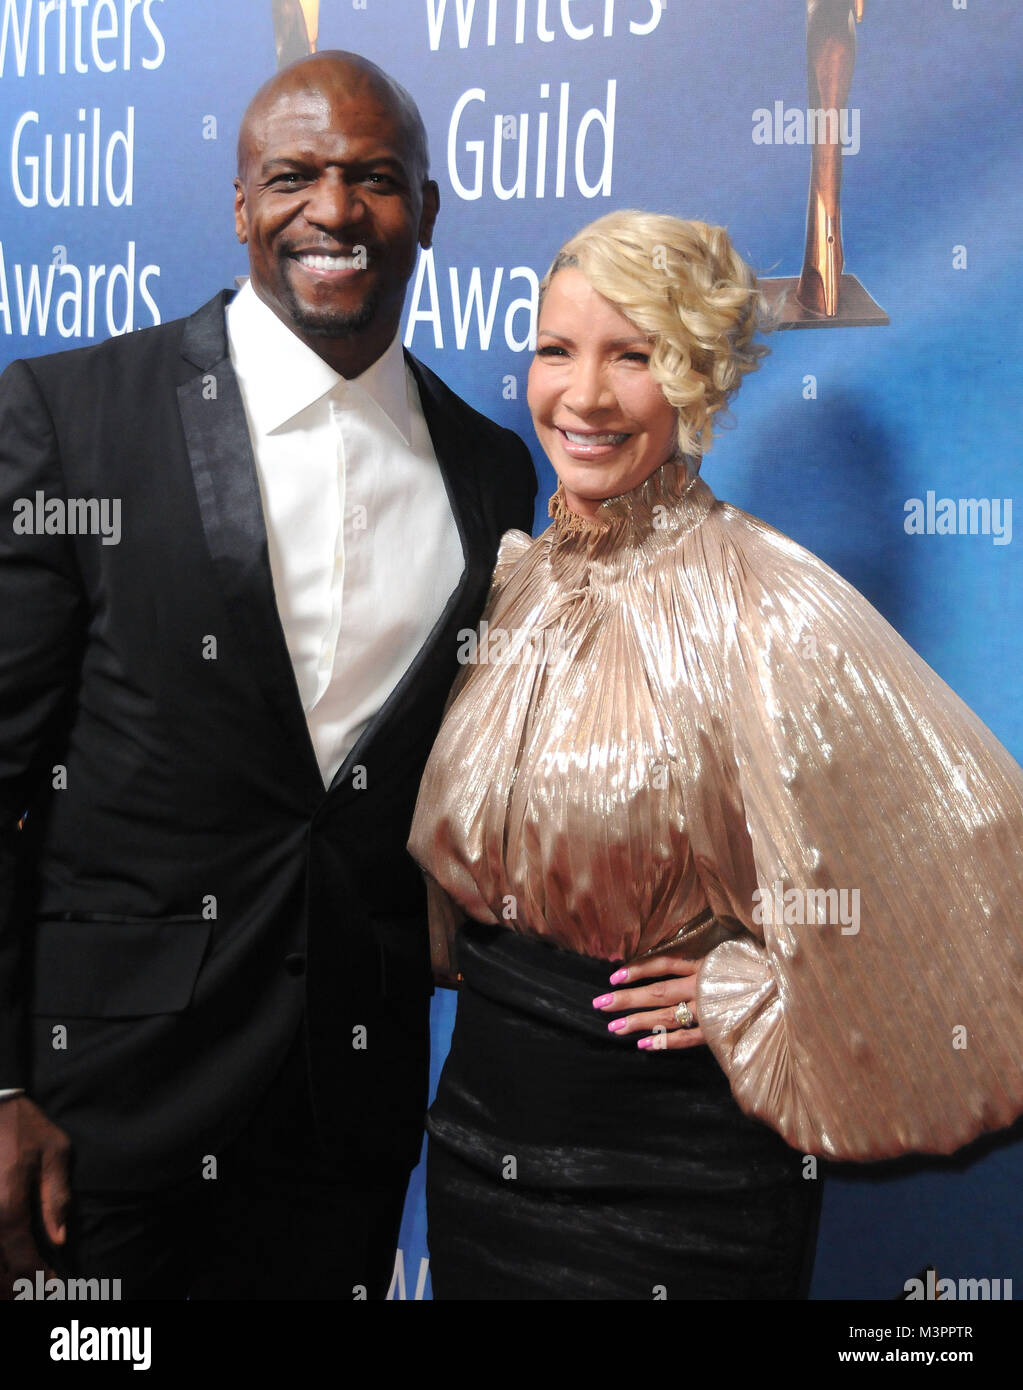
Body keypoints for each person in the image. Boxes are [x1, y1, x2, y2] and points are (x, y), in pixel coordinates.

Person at [409, 210, 1023, 1299]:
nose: (583, 396)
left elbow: (975, 902)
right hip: (474, 1150)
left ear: (694, 374)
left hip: (676, 1191)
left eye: (633, 355)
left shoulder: (773, 612)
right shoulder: (508, 583)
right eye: (558, 350)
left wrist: (758, 989)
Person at [0, 51, 535, 1300]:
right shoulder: (74, 415)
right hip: (98, 1113)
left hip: (343, 1117)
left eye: (376, 179)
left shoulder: (490, 469)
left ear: (429, 212)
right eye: (293, 176)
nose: (335, 212)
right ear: (240, 206)